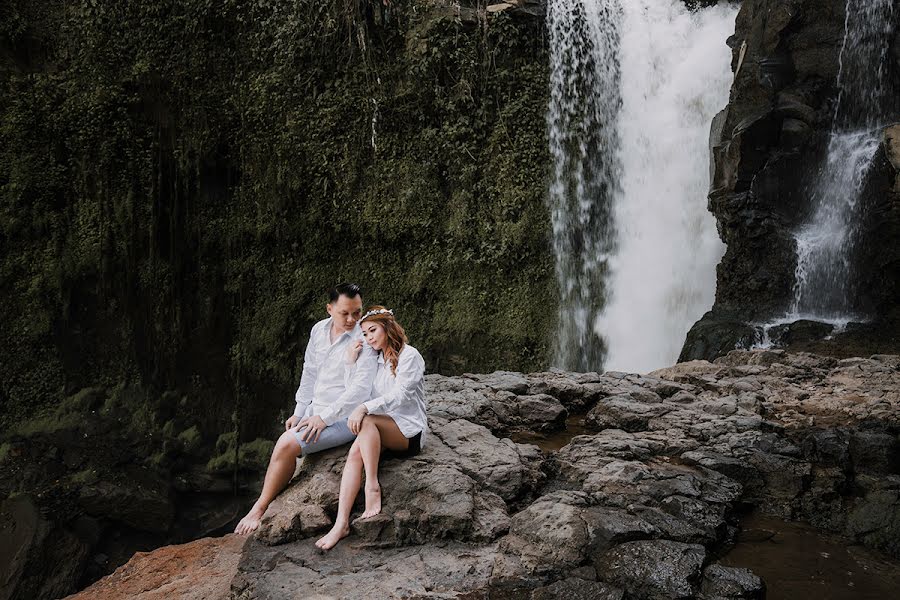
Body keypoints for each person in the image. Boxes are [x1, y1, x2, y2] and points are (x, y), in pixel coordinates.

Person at [234, 283, 378, 535]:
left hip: (345, 417)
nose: (352, 319)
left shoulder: (364, 338)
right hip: (317, 410)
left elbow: (361, 391)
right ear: (329, 309)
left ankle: (259, 508)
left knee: (285, 443)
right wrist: (300, 411)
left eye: (357, 312)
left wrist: (323, 418)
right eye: (345, 313)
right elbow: (310, 371)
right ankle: (267, 498)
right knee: (289, 435)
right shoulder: (318, 330)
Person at [315, 306, 427, 551]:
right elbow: (357, 391)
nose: (369, 338)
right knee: (354, 454)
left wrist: (365, 407)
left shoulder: (410, 356)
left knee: (365, 419)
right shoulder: (376, 359)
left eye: (373, 331)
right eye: (364, 334)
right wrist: (350, 362)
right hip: (378, 429)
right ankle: (341, 524)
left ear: (387, 327)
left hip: (409, 432)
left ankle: (372, 484)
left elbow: (402, 396)